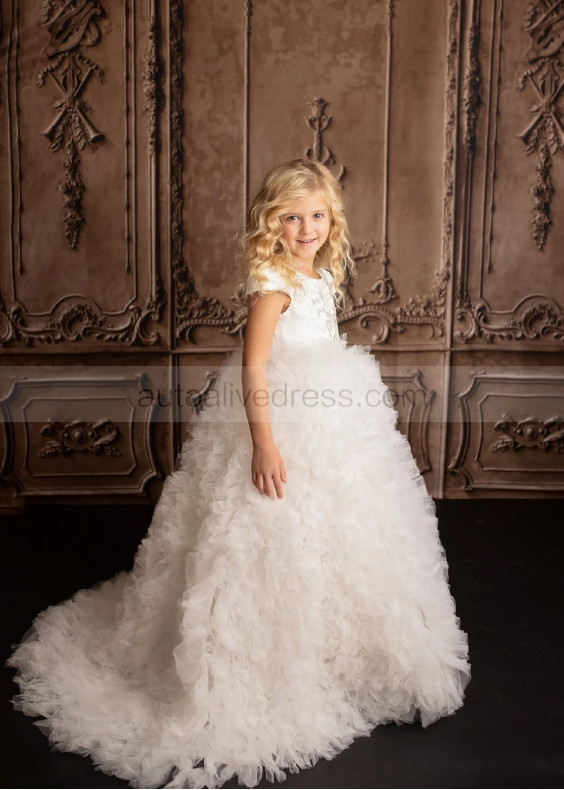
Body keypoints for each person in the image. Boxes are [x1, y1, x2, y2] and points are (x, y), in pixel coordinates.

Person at [6, 159, 471, 789]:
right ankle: (260, 661)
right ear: (271, 222)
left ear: (331, 217)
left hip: (332, 421)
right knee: (266, 532)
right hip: (277, 419)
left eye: (316, 215)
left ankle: (335, 654)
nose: (305, 228)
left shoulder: (320, 272)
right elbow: (255, 369)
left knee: (346, 530)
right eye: (291, 217)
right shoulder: (272, 280)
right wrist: (264, 446)